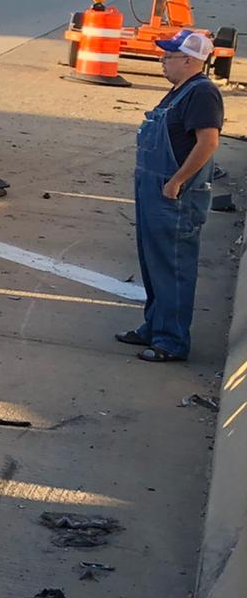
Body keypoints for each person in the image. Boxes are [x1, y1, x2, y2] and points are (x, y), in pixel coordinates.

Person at [116, 30, 224, 363]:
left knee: (173, 265)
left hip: (175, 194)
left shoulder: (202, 94)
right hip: (154, 188)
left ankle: (172, 340)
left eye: (168, 57)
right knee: (153, 263)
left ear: (190, 61)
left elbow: (208, 142)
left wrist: (177, 181)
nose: (162, 61)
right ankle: (154, 326)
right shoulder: (179, 91)